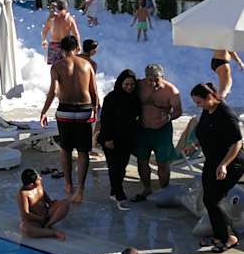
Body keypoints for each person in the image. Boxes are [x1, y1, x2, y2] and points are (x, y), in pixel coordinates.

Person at [40, 35, 98, 204]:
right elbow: (94, 91)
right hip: (84, 110)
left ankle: (68, 184)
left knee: (65, 149)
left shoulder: (57, 66)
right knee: (83, 151)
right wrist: (95, 110)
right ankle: (80, 188)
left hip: (65, 110)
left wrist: (44, 111)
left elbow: (53, 92)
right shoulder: (87, 65)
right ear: (77, 48)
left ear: (61, 49)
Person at [191, 82, 244, 252]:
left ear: (209, 97)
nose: (197, 106)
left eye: (199, 102)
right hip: (213, 161)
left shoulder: (226, 114)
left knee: (212, 199)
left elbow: (237, 143)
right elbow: (205, 130)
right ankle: (219, 235)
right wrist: (195, 143)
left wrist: (224, 165)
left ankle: (229, 238)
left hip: (231, 162)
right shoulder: (207, 110)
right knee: (208, 199)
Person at [133, 63, 182, 202]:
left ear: (163, 77)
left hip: (162, 131)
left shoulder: (171, 91)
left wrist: (168, 117)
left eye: (157, 80)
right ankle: (146, 189)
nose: (153, 83)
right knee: (142, 160)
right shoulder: (139, 86)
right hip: (142, 129)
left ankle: (164, 191)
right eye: (150, 80)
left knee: (163, 163)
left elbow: (178, 111)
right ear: (145, 78)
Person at [97, 70, 140, 211]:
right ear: (120, 83)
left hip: (126, 139)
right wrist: (108, 139)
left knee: (121, 167)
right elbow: (105, 120)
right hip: (111, 139)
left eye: (132, 84)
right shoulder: (111, 98)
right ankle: (120, 196)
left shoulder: (134, 98)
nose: (129, 87)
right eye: (126, 84)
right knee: (114, 167)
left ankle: (113, 191)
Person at [16, 168, 69, 240]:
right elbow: (25, 214)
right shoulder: (23, 194)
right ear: (31, 185)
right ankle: (53, 233)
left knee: (65, 203)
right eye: (38, 179)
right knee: (25, 228)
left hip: (46, 214)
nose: (40, 178)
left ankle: (48, 224)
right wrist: (40, 218)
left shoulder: (38, 183)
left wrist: (50, 202)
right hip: (34, 221)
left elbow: (43, 194)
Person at [41, 0, 80, 68]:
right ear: (66, 7)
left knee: (55, 68)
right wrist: (78, 45)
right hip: (65, 46)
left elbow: (44, 31)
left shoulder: (51, 18)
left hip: (53, 44)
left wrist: (43, 40)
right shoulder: (69, 18)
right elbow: (75, 33)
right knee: (66, 67)